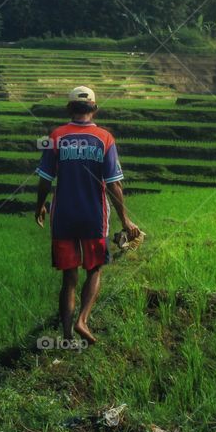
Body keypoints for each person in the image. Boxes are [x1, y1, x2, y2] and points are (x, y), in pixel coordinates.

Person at [34, 86, 140, 345]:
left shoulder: (56, 136)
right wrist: (125, 220)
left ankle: (68, 336)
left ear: (69, 109)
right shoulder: (105, 138)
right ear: (94, 109)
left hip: (64, 217)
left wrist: (40, 205)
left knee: (68, 279)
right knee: (94, 269)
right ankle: (83, 319)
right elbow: (114, 184)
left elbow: (45, 179)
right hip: (94, 216)